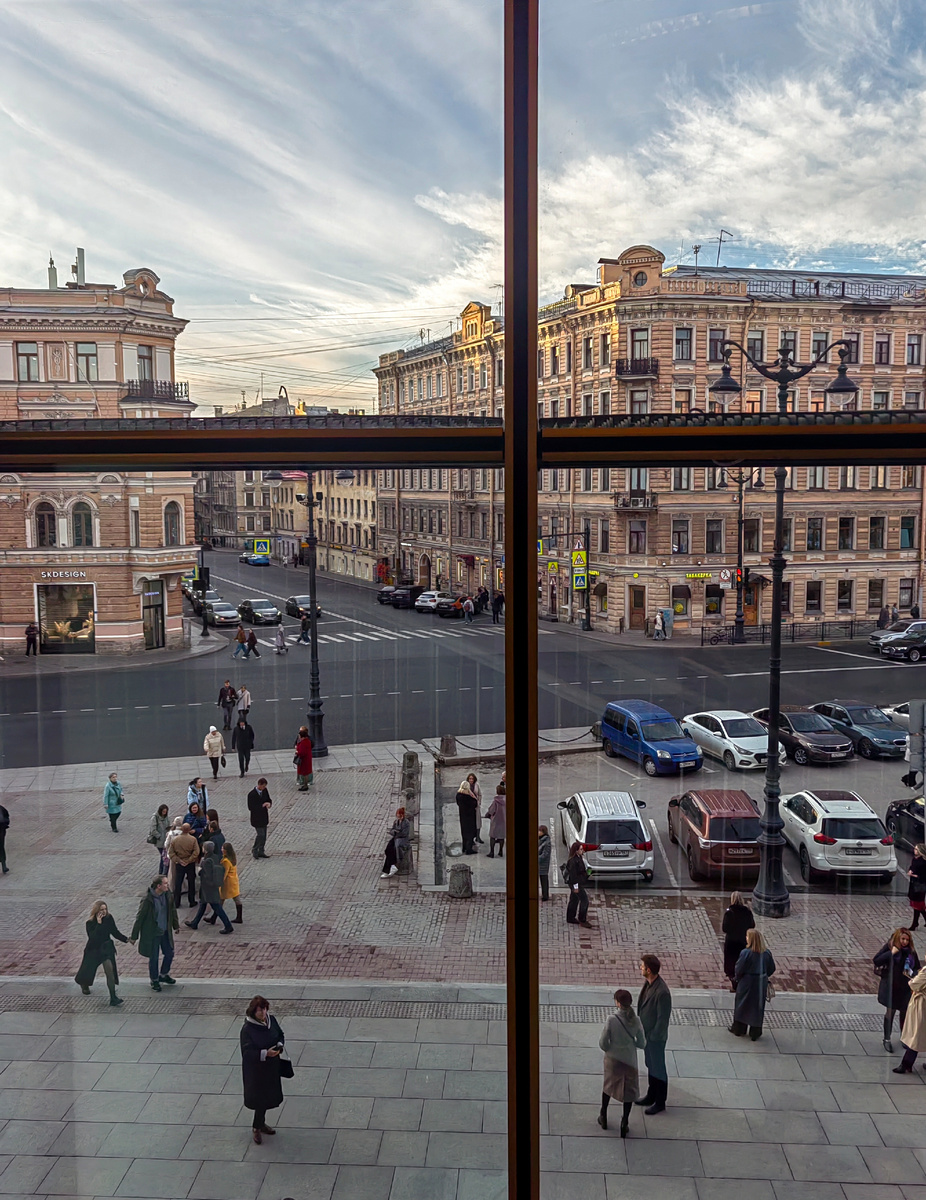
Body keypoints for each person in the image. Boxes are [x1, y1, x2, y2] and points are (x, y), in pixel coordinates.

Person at [598, 988, 646, 1136]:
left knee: (608, 1086)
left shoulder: (611, 1019)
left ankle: (603, 1115)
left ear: (618, 1003)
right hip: (629, 1060)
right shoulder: (636, 1020)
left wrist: (609, 1049)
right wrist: (632, 1045)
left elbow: (603, 1042)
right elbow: (642, 1043)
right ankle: (624, 1122)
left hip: (613, 1060)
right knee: (628, 1091)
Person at [240, 995, 287, 1144]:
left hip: (271, 1067)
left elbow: (280, 1034)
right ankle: (257, 1127)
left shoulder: (271, 1020)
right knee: (260, 1099)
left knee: (267, 1097)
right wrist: (266, 1053)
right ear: (253, 1011)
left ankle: (260, 1124)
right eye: (260, 1010)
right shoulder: (247, 1030)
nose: (263, 1013)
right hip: (256, 1071)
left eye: (265, 1009)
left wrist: (279, 1045)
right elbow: (247, 1053)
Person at [636, 954, 672, 1115]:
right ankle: (651, 1095)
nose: (640, 968)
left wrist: (652, 1036)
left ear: (649, 970)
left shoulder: (662, 992)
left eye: (642, 966)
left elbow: (662, 1019)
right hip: (647, 1035)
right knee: (651, 1065)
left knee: (658, 1068)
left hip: (655, 1038)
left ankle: (660, 1101)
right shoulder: (649, 984)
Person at [130, 876, 179, 992]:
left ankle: (164, 974)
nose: (167, 885)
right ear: (158, 886)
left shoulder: (168, 895)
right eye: (165, 883)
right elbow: (140, 918)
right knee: (154, 957)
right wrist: (134, 936)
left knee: (169, 953)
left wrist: (175, 925)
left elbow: (172, 910)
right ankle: (154, 979)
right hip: (153, 933)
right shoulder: (148, 900)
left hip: (165, 931)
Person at [874, 928, 920, 1051]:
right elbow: (877, 960)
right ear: (898, 938)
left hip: (905, 987)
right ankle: (887, 1039)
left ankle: (904, 1037)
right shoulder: (890, 947)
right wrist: (891, 953)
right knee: (890, 1012)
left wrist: (913, 975)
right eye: (902, 939)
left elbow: (917, 966)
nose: (905, 942)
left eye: (907, 940)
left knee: (904, 1012)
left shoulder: (911, 951)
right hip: (891, 986)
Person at [75, 900, 128, 1006]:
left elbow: (114, 931)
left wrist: (126, 939)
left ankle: (113, 997)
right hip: (93, 949)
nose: (104, 911)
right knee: (87, 969)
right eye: (101, 909)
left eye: (105, 909)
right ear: (96, 911)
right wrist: (99, 923)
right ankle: (84, 984)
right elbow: (93, 937)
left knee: (110, 971)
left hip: (106, 949)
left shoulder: (109, 918)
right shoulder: (90, 923)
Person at [730, 927, 776, 1041]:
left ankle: (739, 1028)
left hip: (747, 982)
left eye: (747, 936)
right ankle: (755, 1031)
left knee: (742, 1004)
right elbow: (771, 968)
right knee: (757, 1007)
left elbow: (739, 969)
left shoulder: (746, 953)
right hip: (760, 982)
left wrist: (737, 978)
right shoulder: (766, 953)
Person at [185, 841, 234, 933]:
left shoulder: (206, 861)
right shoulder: (216, 857)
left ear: (205, 849)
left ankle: (228, 926)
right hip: (212, 886)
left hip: (208, 888)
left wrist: (200, 871)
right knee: (203, 904)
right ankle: (195, 923)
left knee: (216, 907)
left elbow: (207, 875)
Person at [893, 963, 926, 1073]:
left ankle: (906, 1064)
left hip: (922, 1005)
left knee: (915, 1035)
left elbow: (914, 984)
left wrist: (912, 980)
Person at [721, 892, 756, 990]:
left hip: (731, 942)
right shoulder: (747, 912)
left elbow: (725, 928)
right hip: (743, 941)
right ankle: (741, 981)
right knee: (742, 961)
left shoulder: (729, 913)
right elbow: (752, 925)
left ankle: (734, 982)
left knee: (731, 963)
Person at [207, 842, 243, 924]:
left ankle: (214, 918)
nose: (221, 849)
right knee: (235, 899)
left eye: (223, 848)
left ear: (226, 851)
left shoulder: (226, 861)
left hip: (227, 883)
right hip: (233, 881)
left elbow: (224, 873)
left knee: (221, 899)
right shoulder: (232, 858)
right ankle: (238, 917)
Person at [168, 822, 200, 908]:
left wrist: (178, 860)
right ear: (189, 829)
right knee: (191, 882)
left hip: (179, 863)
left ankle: (176, 902)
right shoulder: (193, 839)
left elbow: (171, 853)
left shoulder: (175, 840)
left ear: (182, 829)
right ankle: (191, 901)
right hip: (190, 864)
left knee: (178, 883)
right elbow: (196, 852)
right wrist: (189, 860)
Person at [564, 841, 591, 927]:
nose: (582, 851)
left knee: (574, 899)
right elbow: (573, 876)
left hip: (577, 883)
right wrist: (576, 887)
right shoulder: (573, 861)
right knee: (584, 900)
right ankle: (582, 919)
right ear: (576, 851)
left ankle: (570, 917)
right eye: (581, 849)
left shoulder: (579, 858)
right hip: (576, 884)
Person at [381, 807, 411, 878]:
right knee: (388, 850)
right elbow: (392, 830)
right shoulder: (396, 822)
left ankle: (387, 870)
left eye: (399, 816)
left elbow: (404, 833)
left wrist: (397, 833)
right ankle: (392, 866)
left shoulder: (406, 823)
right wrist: (394, 832)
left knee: (394, 850)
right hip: (396, 838)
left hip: (402, 840)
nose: (398, 817)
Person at [248, 778, 273, 859]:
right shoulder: (252, 794)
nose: (264, 788)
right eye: (263, 786)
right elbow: (251, 807)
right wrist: (262, 806)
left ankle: (261, 851)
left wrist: (269, 804)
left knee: (264, 835)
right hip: (256, 818)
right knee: (260, 835)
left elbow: (268, 799)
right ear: (259, 785)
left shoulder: (265, 791)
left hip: (264, 817)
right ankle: (255, 849)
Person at [455, 779, 479, 854]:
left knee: (464, 832)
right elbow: (475, 803)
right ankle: (469, 849)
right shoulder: (468, 798)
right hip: (470, 817)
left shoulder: (458, 795)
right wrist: (473, 796)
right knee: (470, 833)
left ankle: (464, 847)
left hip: (463, 817)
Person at [163, 816, 185, 893]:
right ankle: (183, 887)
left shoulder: (171, 833)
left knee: (172, 873)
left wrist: (169, 850)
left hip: (172, 856)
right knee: (182, 873)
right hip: (182, 856)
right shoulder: (184, 833)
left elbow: (166, 844)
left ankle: (172, 887)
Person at [461, 772, 484, 843]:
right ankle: (471, 838)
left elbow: (479, 794)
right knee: (471, 824)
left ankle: (478, 837)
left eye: (472, 779)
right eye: (470, 779)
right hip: (469, 808)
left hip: (476, 807)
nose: (471, 780)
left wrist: (478, 802)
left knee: (478, 823)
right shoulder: (466, 786)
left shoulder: (477, 785)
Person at [148, 804, 171, 873]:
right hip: (160, 841)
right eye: (163, 811)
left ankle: (162, 871)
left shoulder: (166, 817)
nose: (164, 813)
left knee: (163, 856)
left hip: (166, 839)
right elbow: (153, 830)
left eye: (165, 812)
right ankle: (162, 872)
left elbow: (168, 825)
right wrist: (159, 836)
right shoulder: (155, 818)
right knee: (163, 856)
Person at [486, 783, 506, 859]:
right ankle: (500, 851)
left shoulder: (496, 801)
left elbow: (491, 811)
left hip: (496, 821)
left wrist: (488, 814)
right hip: (504, 821)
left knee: (493, 836)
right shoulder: (508, 799)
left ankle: (492, 852)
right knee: (501, 837)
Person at [908, 844, 926, 930]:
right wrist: (910, 871)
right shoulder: (914, 859)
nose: (914, 850)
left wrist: (914, 875)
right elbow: (912, 867)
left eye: (916, 849)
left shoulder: (924, 862)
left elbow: (923, 876)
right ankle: (916, 923)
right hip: (913, 884)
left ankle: (915, 923)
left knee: (918, 904)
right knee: (917, 905)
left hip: (920, 884)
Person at [538, 825, 551, 900]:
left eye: (540, 831)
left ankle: (545, 895)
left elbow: (545, 854)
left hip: (543, 864)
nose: (538, 832)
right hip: (540, 864)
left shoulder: (546, 842)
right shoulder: (540, 839)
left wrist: (537, 859)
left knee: (544, 880)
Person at [0, 802, 8, 874]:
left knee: (1, 848)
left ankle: (4, 865)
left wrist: (5, 824)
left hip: (1, 831)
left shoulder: (1, 809)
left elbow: (6, 817)